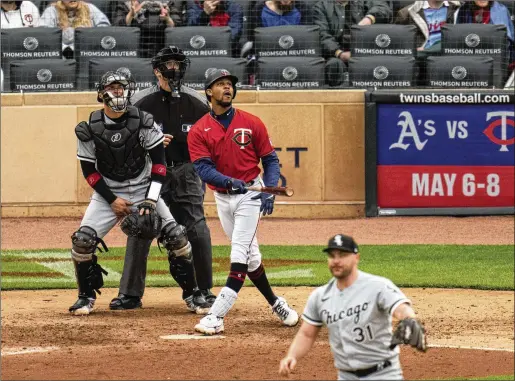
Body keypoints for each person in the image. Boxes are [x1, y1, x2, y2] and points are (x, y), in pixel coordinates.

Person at [69, 70, 195, 315]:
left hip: (144, 188)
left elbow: (159, 165)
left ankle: (193, 295)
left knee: (177, 237)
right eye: (112, 87)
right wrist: (112, 200)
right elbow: (90, 173)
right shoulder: (88, 128)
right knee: (82, 242)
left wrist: (150, 198)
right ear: (100, 94)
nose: (117, 92)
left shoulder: (144, 121)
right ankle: (85, 297)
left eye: (121, 87)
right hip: (108, 193)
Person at [187, 69, 299, 335]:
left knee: (239, 253)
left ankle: (216, 316)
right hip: (223, 197)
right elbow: (203, 168)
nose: (227, 88)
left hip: (250, 195)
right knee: (251, 259)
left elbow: (270, 160)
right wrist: (227, 181)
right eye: (221, 84)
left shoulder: (252, 122)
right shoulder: (199, 130)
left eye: (230, 84)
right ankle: (276, 303)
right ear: (208, 92)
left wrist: (268, 191)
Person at [116, 45, 214, 315]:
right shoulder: (140, 102)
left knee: (196, 227)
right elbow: (122, 141)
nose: (175, 68)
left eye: (178, 63)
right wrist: (150, 145)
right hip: (149, 172)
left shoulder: (197, 102)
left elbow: (210, 140)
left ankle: (203, 290)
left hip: (186, 171)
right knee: (142, 225)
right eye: (169, 64)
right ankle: (129, 294)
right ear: (157, 70)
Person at [278, 234, 427, 380]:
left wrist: (409, 318)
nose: (336, 260)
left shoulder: (377, 286)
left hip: (384, 375)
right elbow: (307, 334)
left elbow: (400, 308)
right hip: (346, 376)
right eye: (332, 255)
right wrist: (292, 356)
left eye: (342, 255)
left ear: (356, 258)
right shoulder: (320, 297)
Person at [312, 0, 392, 87]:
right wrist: (339, 53)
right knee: (334, 65)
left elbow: (384, 8)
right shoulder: (321, 6)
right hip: (336, 54)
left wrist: (369, 18)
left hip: (365, 51)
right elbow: (322, 34)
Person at [40, 0, 110, 58]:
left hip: (87, 52)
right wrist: (65, 48)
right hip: (61, 56)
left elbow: (105, 28)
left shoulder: (90, 8)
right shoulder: (52, 10)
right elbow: (44, 34)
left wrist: (89, 36)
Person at [112, 0, 183, 58]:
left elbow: (178, 29)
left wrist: (167, 19)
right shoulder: (126, 3)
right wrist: (131, 14)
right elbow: (117, 28)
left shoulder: (168, 3)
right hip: (133, 54)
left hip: (162, 52)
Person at [394, 1, 462, 53]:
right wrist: (416, 51)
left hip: (449, 61)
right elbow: (398, 47)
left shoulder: (458, 10)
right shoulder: (406, 14)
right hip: (420, 64)